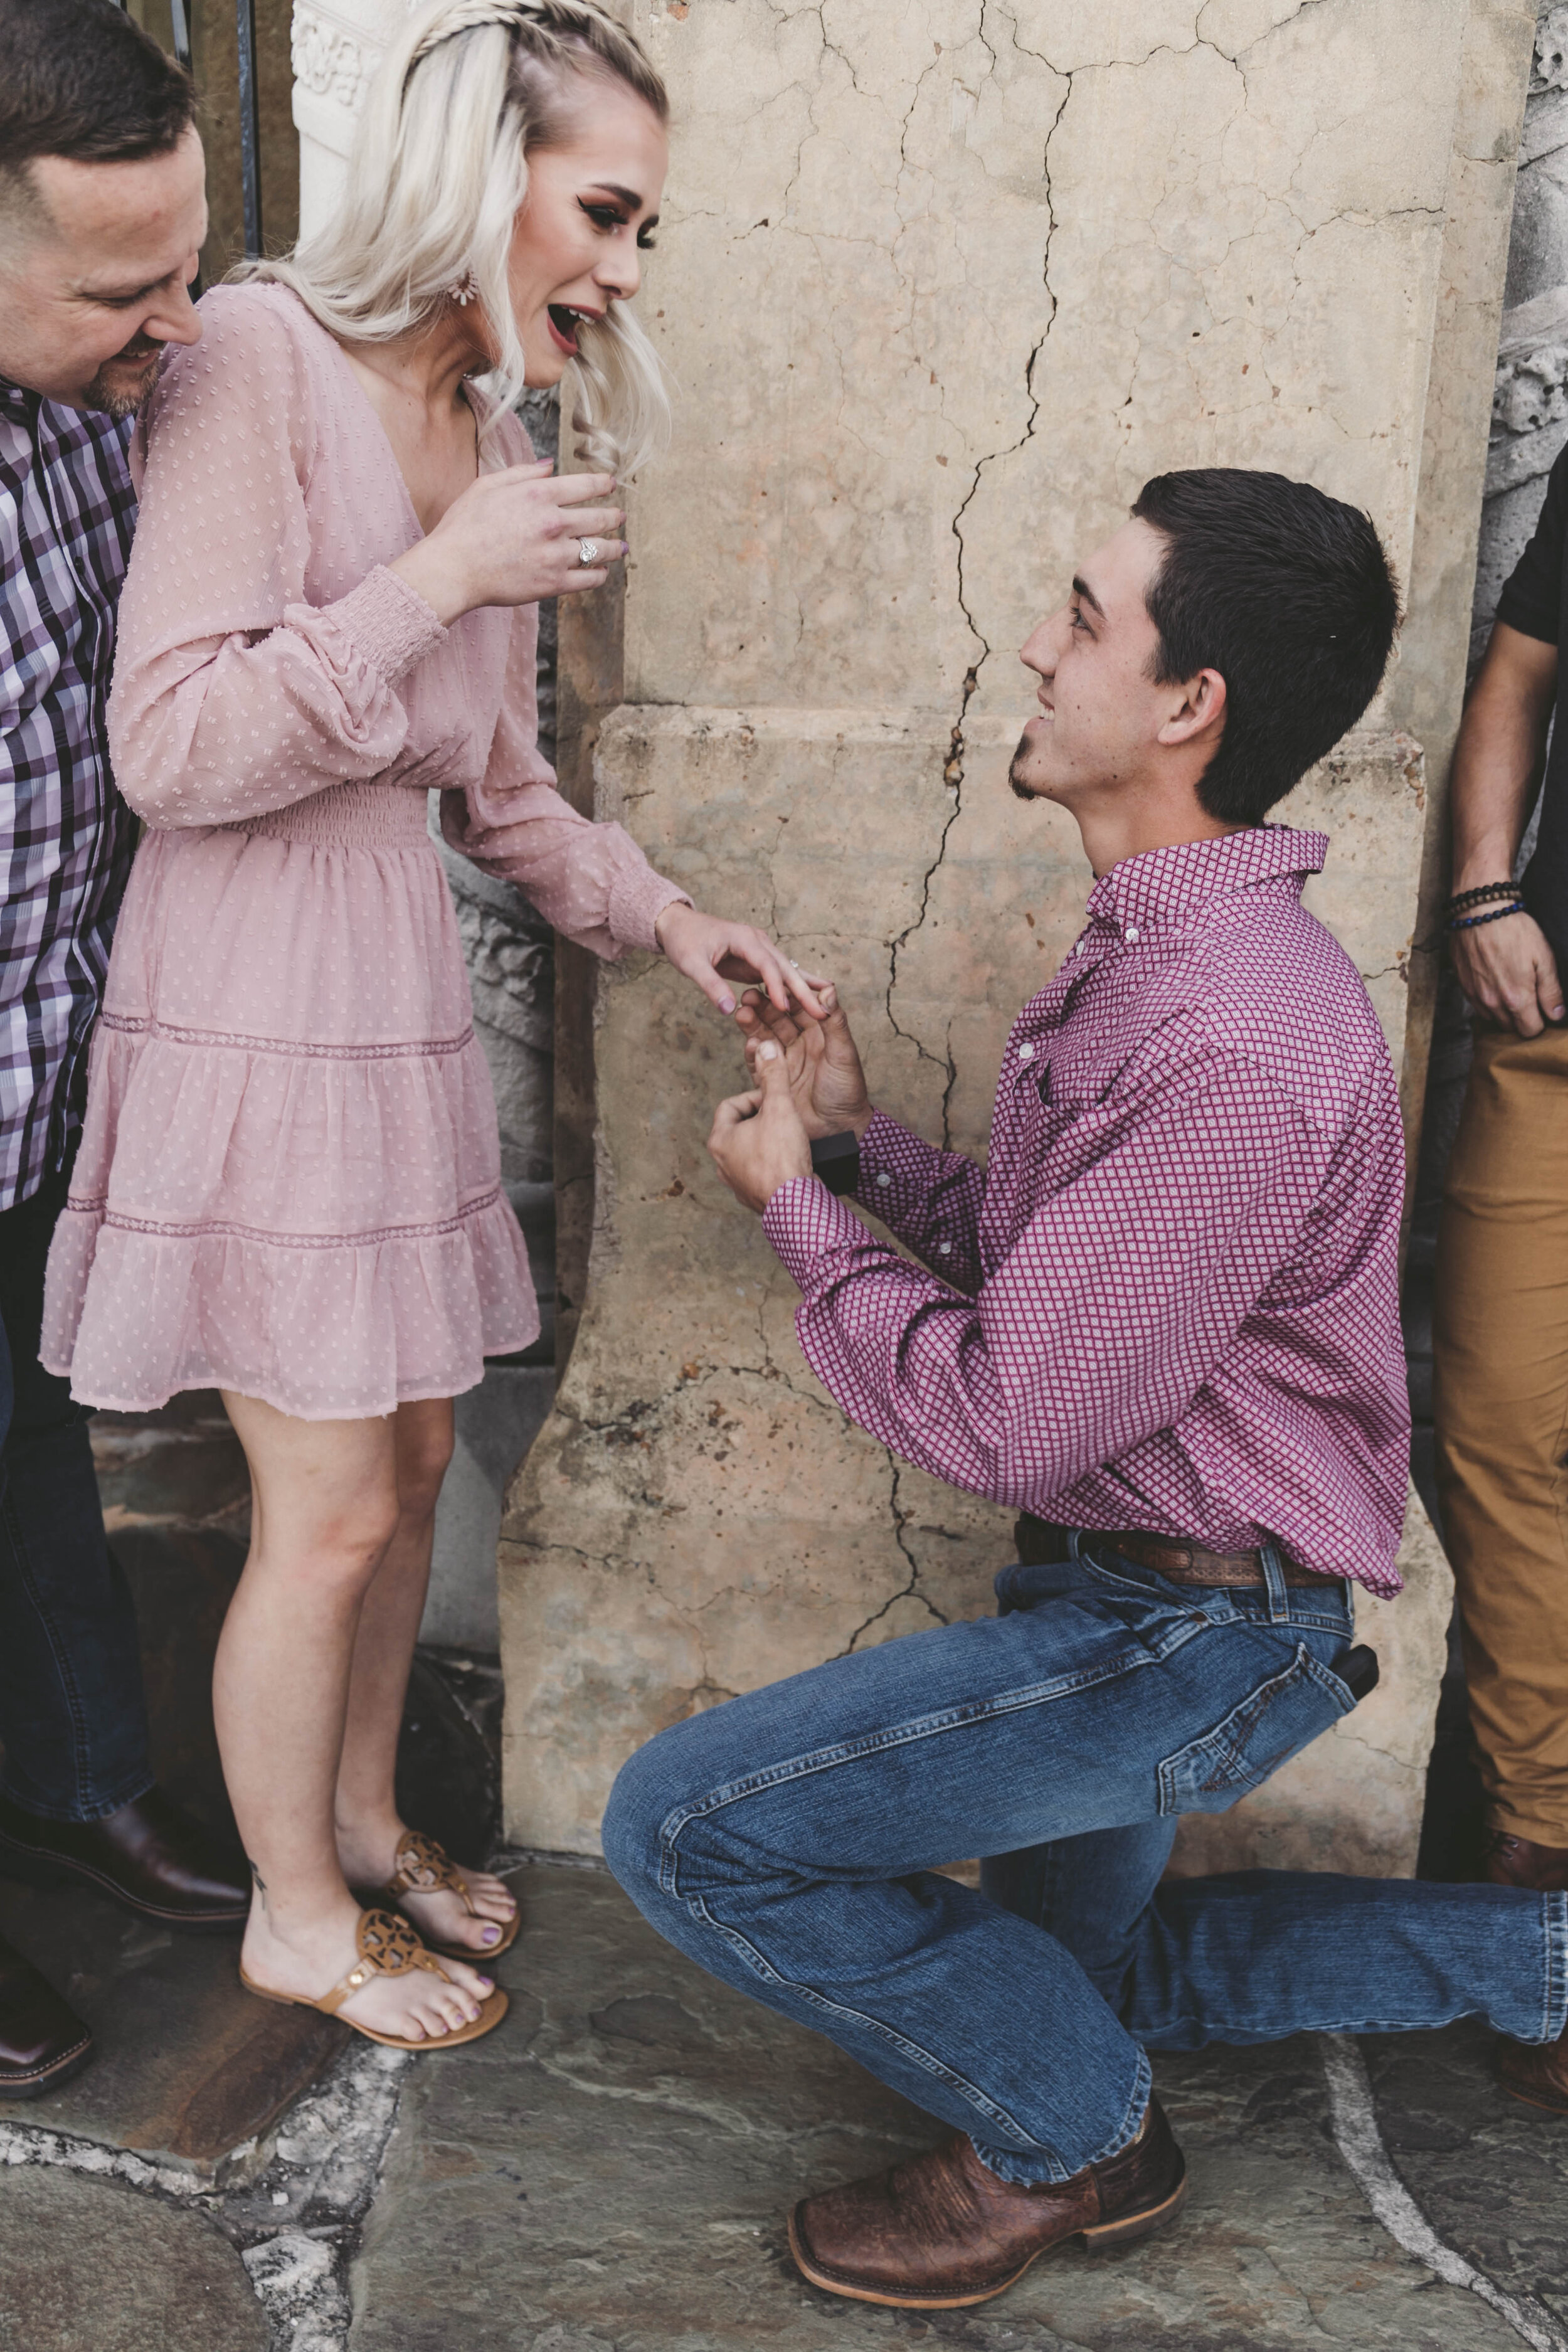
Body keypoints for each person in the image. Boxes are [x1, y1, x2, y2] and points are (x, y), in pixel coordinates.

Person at [603, 469, 1568, 2313]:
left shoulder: (1225, 1031)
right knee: (1087, 1966)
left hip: (1187, 1629)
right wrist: (862, 1146)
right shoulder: (1167, 949)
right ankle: (1544, 1966)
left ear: (1187, 704)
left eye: (1080, 611)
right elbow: (1082, 1279)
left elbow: (1012, 1413)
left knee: (687, 1826)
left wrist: (800, 1221)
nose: (1032, 643)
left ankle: (1063, 2136)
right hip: (1129, 1584)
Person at [38, 0, 824, 2057]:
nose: (631, 269)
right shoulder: (253, 363)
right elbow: (172, 746)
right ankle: (295, 1915)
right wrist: (434, 580)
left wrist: (679, 923)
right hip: (242, 1008)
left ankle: (369, 1821)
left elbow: (510, 800)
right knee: (329, 1511)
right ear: (484, 178)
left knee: (399, 1467)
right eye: (608, 212)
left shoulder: (497, 431)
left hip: (388, 1016)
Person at [0, 0, 250, 2100]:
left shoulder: (99, 406)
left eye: (188, 265)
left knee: (27, 1450)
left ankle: (75, 1783)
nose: (174, 323)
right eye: (119, 287)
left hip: (33, 1071)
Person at [1432, 446, 1568, 1896]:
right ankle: (1543, 1865)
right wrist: (1484, 885)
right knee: (1493, 1429)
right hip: (1550, 1042)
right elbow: (1517, 674)